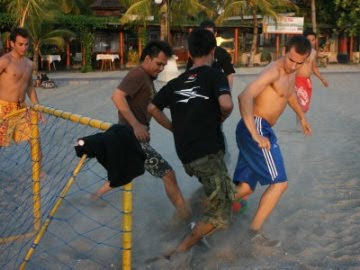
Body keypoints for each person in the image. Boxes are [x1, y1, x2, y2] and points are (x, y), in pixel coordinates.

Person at [148, 28, 234, 256]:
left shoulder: (176, 83)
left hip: (186, 155)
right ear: (213, 51)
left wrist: (172, 128)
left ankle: (194, 228)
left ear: (189, 52)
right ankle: (182, 248)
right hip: (208, 151)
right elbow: (226, 105)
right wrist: (220, 117)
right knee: (223, 210)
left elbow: (152, 108)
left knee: (211, 190)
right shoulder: (215, 74)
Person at [92, 40, 190, 220]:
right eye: (158, 64)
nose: (160, 69)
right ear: (147, 58)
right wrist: (136, 125)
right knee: (168, 174)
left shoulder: (147, 79)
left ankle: (93, 197)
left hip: (129, 137)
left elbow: (153, 110)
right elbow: (117, 97)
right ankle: (184, 215)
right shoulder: (137, 74)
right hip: (131, 138)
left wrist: (174, 129)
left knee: (126, 172)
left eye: (163, 66)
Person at [232, 36, 313, 245]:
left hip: (260, 129)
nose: (293, 65)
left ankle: (205, 211)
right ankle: (253, 235)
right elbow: (244, 96)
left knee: (245, 188)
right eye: (291, 59)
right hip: (257, 126)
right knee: (279, 183)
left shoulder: (292, 72)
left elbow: (289, 95)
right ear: (284, 51)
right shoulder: (274, 70)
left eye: (299, 62)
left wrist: (302, 118)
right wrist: (255, 133)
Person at [0, 27, 44, 148]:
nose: (24, 48)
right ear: (12, 43)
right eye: (20, 44)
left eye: (26, 44)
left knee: (35, 139)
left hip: (21, 109)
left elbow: (30, 87)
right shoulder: (5, 61)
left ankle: (39, 168)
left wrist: (37, 107)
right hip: (3, 109)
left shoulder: (29, 64)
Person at [186, 20, 235, 89]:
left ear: (215, 34)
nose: (207, 37)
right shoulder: (196, 52)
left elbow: (229, 75)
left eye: (210, 34)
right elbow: (189, 74)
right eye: (205, 34)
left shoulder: (222, 53)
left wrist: (227, 93)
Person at [295, 30, 329, 120]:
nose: (311, 42)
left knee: (305, 104)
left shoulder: (313, 52)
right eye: (308, 40)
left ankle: (300, 123)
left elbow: (314, 67)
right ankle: (300, 126)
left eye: (313, 40)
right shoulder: (299, 51)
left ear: (315, 40)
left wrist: (322, 79)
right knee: (302, 103)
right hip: (298, 80)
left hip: (307, 81)